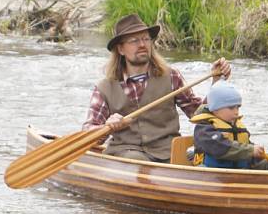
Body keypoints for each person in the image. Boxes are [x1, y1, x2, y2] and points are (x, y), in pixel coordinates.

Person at [82, 13, 231, 162]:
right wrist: (108, 126)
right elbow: (87, 136)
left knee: (211, 159)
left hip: (169, 152)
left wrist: (216, 84)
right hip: (126, 154)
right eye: (134, 41)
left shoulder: (171, 76)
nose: (142, 44)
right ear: (120, 49)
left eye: (146, 39)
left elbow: (198, 115)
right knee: (137, 160)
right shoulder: (104, 88)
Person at [190, 81, 268, 170]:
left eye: (238, 107)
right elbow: (220, 147)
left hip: (237, 174)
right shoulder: (203, 130)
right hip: (209, 173)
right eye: (231, 108)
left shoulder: (236, 127)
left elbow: (250, 160)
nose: (236, 112)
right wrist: (250, 150)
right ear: (215, 109)